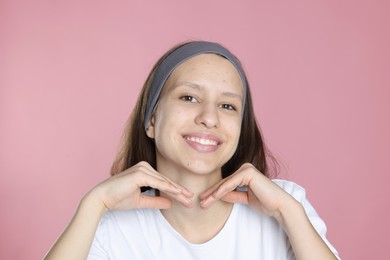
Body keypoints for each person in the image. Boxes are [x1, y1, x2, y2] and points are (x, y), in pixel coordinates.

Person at [45, 41, 340, 259]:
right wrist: (93, 204)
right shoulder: (109, 225)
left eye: (227, 106)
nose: (209, 118)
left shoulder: (288, 206)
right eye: (188, 97)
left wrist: (287, 211)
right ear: (151, 120)